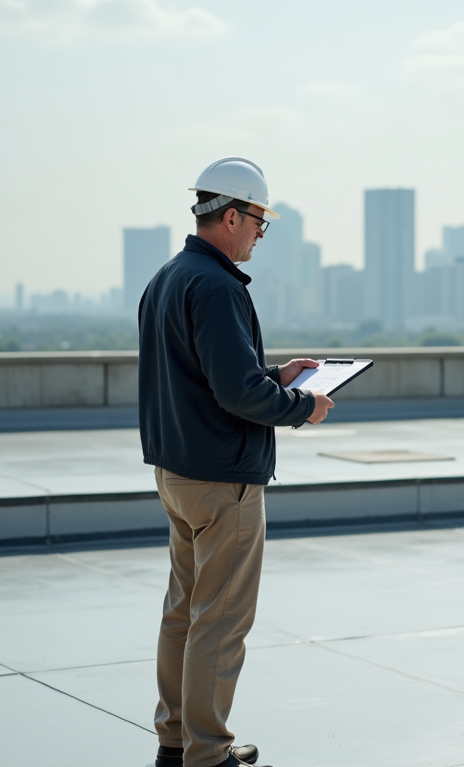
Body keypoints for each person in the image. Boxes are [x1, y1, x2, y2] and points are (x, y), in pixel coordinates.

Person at [138, 157, 333, 767]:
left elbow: (206, 378)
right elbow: (237, 395)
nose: (258, 234)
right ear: (230, 215)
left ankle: (177, 740)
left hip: (177, 472)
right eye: (258, 222)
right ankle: (208, 754)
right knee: (220, 620)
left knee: (184, 611)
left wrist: (275, 375)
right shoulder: (219, 286)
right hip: (224, 480)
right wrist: (303, 406)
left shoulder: (169, 277)